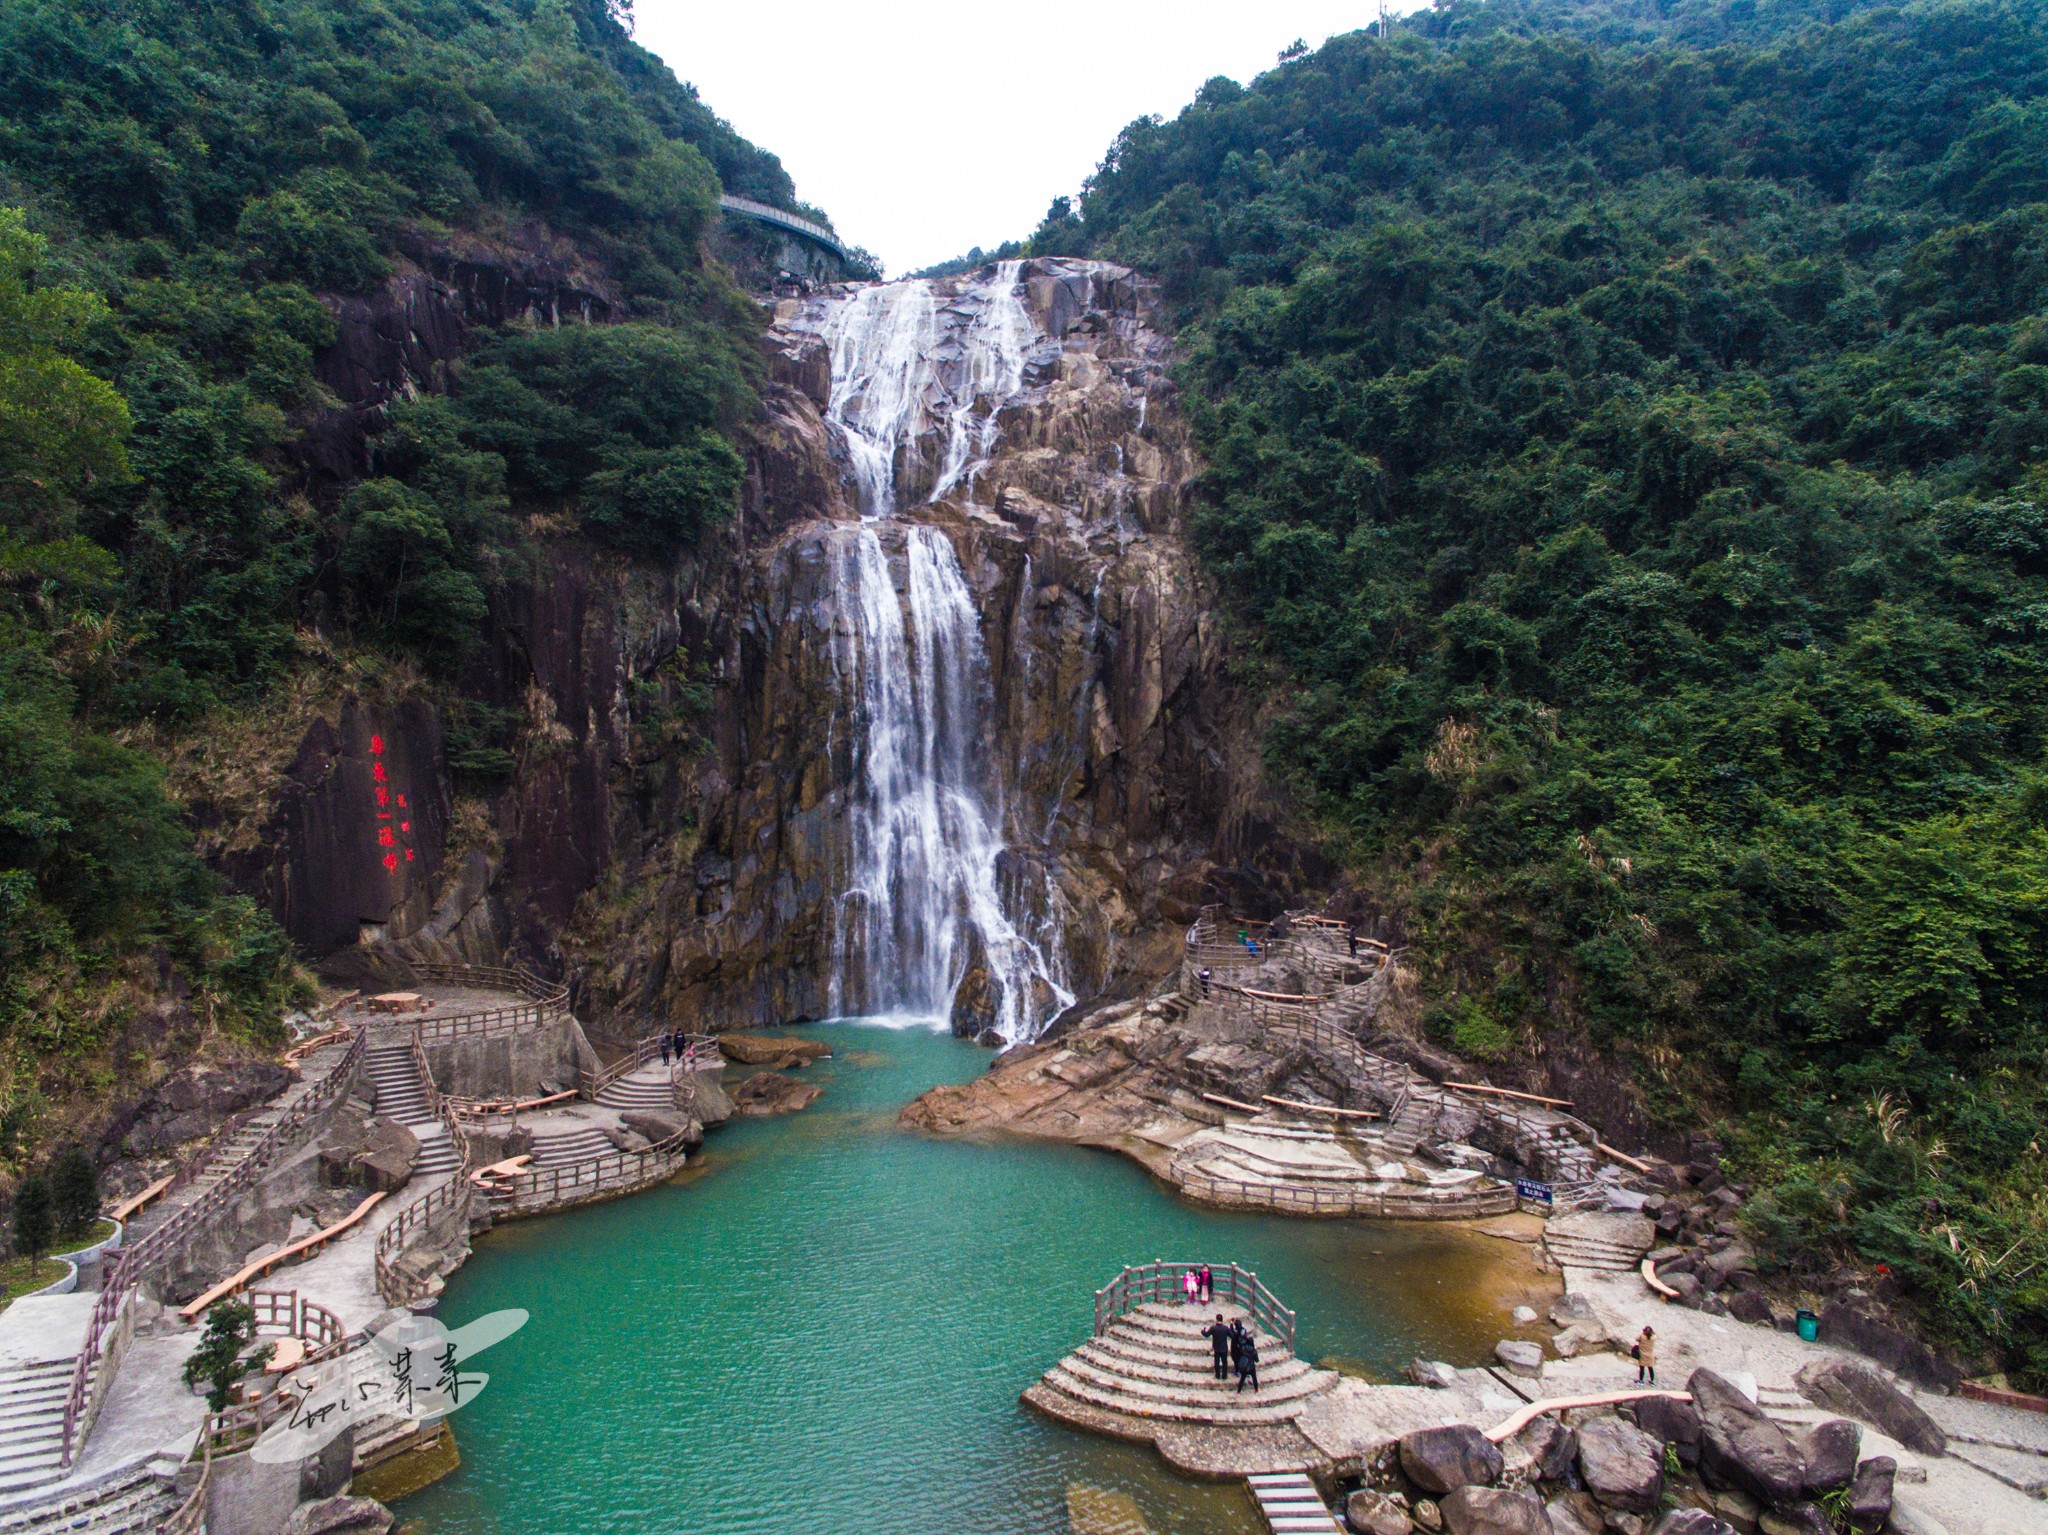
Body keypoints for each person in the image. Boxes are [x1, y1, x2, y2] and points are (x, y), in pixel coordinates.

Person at [1201, 1314, 1233, 1381]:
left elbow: (1206, 1334)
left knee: (1217, 1362)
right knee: (1225, 1362)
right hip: (1224, 1348)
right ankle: (1224, 1375)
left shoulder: (1213, 1328)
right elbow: (1232, 1336)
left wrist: (1203, 1331)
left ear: (1216, 1320)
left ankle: (1217, 1375)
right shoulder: (1226, 1328)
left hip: (1216, 1348)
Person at [1235, 1327, 1260, 1393]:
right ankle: (1256, 1390)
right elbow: (1256, 1360)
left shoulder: (1242, 1348)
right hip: (1251, 1366)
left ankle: (1238, 1391)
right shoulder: (1253, 1350)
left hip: (1244, 1366)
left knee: (1242, 1379)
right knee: (1254, 1378)